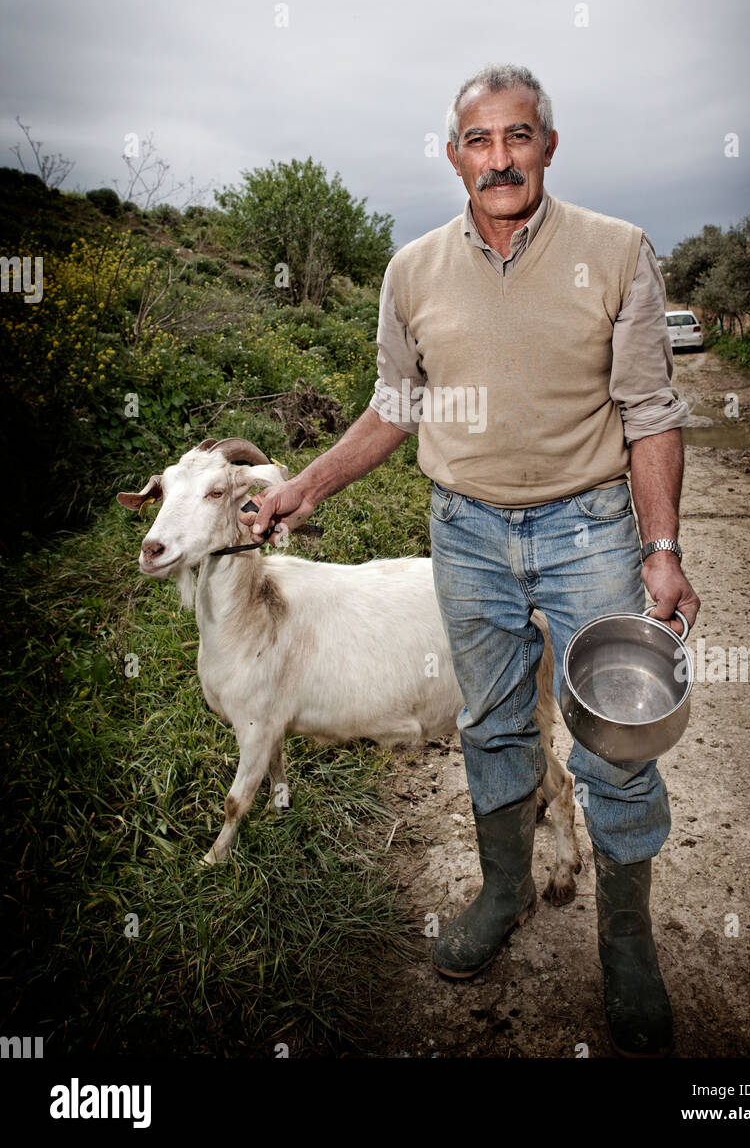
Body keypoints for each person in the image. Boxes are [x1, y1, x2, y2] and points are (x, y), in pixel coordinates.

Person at [241, 63, 700, 1058]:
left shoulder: (616, 252)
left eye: (517, 136)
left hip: (588, 529)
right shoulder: (410, 272)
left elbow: (649, 410)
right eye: (478, 141)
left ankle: (625, 942)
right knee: (490, 722)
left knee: (615, 738)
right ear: (453, 155)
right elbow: (393, 408)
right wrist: (302, 490)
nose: (498, 157)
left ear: (546, 145)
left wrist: (659, 548)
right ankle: (500, 891)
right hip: (468, 534)